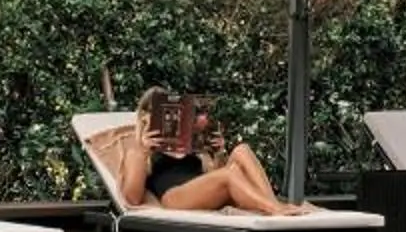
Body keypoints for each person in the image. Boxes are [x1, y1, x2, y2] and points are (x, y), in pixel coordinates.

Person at [116, 86, 308, 219]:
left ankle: (272, 204)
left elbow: (214, 176)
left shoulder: (189, 143)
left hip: (202, 190)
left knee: (242, 150)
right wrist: (143, 151)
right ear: (144, 116)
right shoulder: (136, 151)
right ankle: (274, 209)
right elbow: (132, 199)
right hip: (175, 196)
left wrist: (219, 153)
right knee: (229, 174)